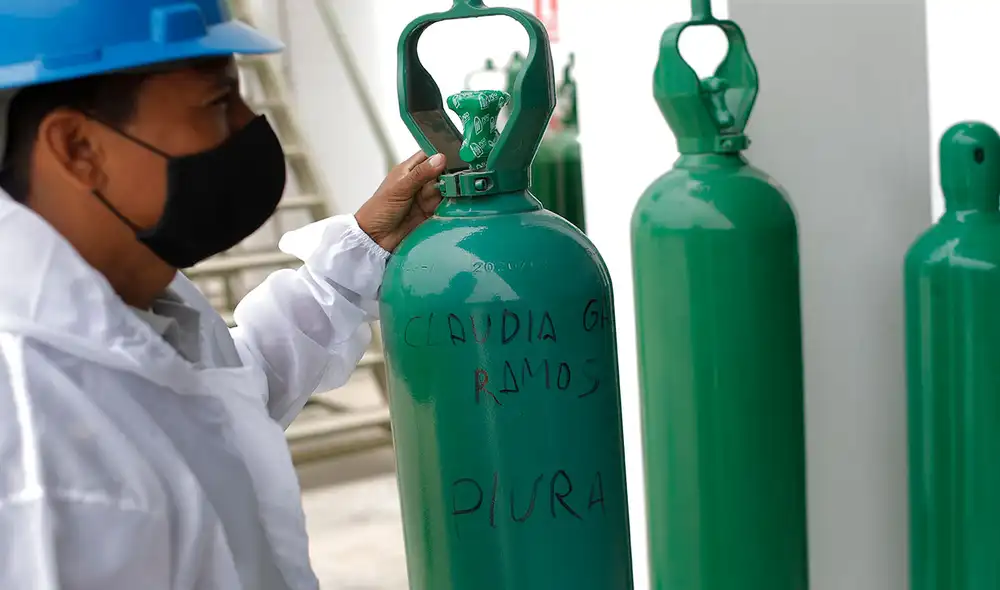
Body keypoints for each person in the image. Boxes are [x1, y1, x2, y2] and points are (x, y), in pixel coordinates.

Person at [0, 1, 445, 588]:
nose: (249, 127)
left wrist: (363, 246)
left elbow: (223, 397)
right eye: (217, 103)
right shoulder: (29, 435)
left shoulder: (132, 305)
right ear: (79, 149)